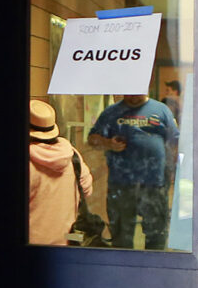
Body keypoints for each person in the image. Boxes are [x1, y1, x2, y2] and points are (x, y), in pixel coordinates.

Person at [84, 86, 176, 250]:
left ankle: (153, 269)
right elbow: (92, 139)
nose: (133, 97)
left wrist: (175, 168)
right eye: (129, 92)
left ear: (147, 88)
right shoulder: (111, 112)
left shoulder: (161, 110)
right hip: (121, 184)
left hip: (154, 183)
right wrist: (108, 143)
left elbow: (174, 141)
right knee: (121, 237)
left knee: (157, 235)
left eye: (137, 93)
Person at [25, 99, 92, 246]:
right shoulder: (72, 155)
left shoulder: (26, 162)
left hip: (30, 247)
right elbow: (86, 190)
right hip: (67, 243)